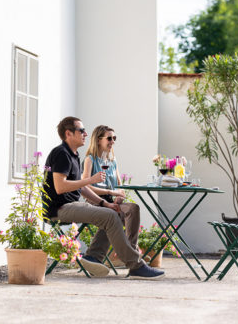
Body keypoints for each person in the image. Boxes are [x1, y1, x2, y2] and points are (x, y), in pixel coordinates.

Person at [43, 116, 165, 280]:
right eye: (81, 130)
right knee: (110, 216)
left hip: (70, 205)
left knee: (114, 213)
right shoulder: (61, 153)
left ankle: (93, 257)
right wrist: (91, 180)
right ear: (68, 133)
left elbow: (81, 187)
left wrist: (104, 203)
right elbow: (60, 187)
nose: (86, 134)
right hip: (58, 208)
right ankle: (136, 265)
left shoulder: (73, 155)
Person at [82, 125, 140, 262]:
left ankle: (131, 251)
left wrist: (119, 196)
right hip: (95, 201)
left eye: (114, 138)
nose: (113, 141)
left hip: (112, 201)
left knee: (133, 208)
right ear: (98, 140)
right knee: (113, 215)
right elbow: (85, 186)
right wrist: (109, 191)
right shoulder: (90, 159)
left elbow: (120, 185)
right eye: (109, 138)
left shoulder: (113, 161)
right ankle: (129, 256)